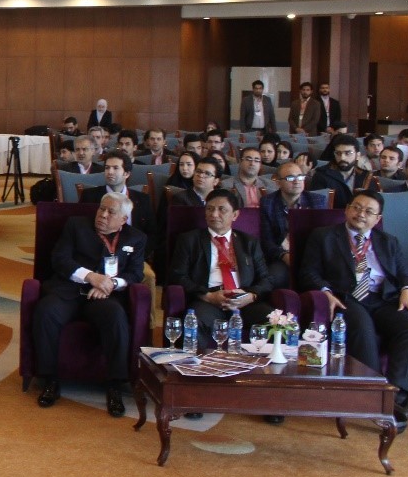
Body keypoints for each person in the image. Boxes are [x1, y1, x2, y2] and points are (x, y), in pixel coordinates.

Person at [301, 190, 408, 432]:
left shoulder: (389, 241)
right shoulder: (324, 236)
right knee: (362, 327)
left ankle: (396, 396)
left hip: (382, 298)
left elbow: (404, 273)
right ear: (347, 209)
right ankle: (374, 395)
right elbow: (308, 272)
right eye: (357, 207)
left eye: (369, 211)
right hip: (346, 298)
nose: (361, 214)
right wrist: (325, 291)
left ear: (377, 219)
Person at [34, 192, 145, 417]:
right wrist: (91, 277)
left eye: (111, 212)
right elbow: (60, 259)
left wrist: (111, 284)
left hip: (104, 296)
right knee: (46, 311)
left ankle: (115, 384)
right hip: (69, 289)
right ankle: (50, 379)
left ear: (123, 219)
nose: (103, 215)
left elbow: (135, 273)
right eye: (101, 209)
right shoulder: (76, 226)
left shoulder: (136, 238)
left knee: (116, 318)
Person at [170, 189, 273, 350]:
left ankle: (263, 366)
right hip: (208, 299)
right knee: (194, 321)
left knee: (273, 320)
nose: (214, 214)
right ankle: (196, 365)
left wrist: (251, 296)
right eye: (210, 209)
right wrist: (208, 296)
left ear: (235, 215)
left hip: (243, 300)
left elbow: (266, 279)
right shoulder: (189, 240)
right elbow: (177, 276)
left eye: (221, 209)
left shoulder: (249, 242)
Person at [259, 161, 327, 291]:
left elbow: (323, 236)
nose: (297, 181)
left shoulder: (317, 201)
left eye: (300, 176)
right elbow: (267, 241)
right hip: (281, 256)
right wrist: (284, 256)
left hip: (311, 255)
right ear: (278, 182)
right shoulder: (268, 203)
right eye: (290, 178)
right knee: (274, 277)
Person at [78, 152, 153, 236]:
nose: (110, 172)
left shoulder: (143, 199)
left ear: (126, 174)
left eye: (115, 168)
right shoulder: (89, 196)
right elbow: (82, 228)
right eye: (107, 168)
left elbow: (151, 233)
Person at [310, 134, 372, 207]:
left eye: (348, 153)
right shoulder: (321, 175)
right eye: (338, 153)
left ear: (358, 155)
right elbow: (316, 207)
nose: (342, 158)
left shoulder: (366, 176)